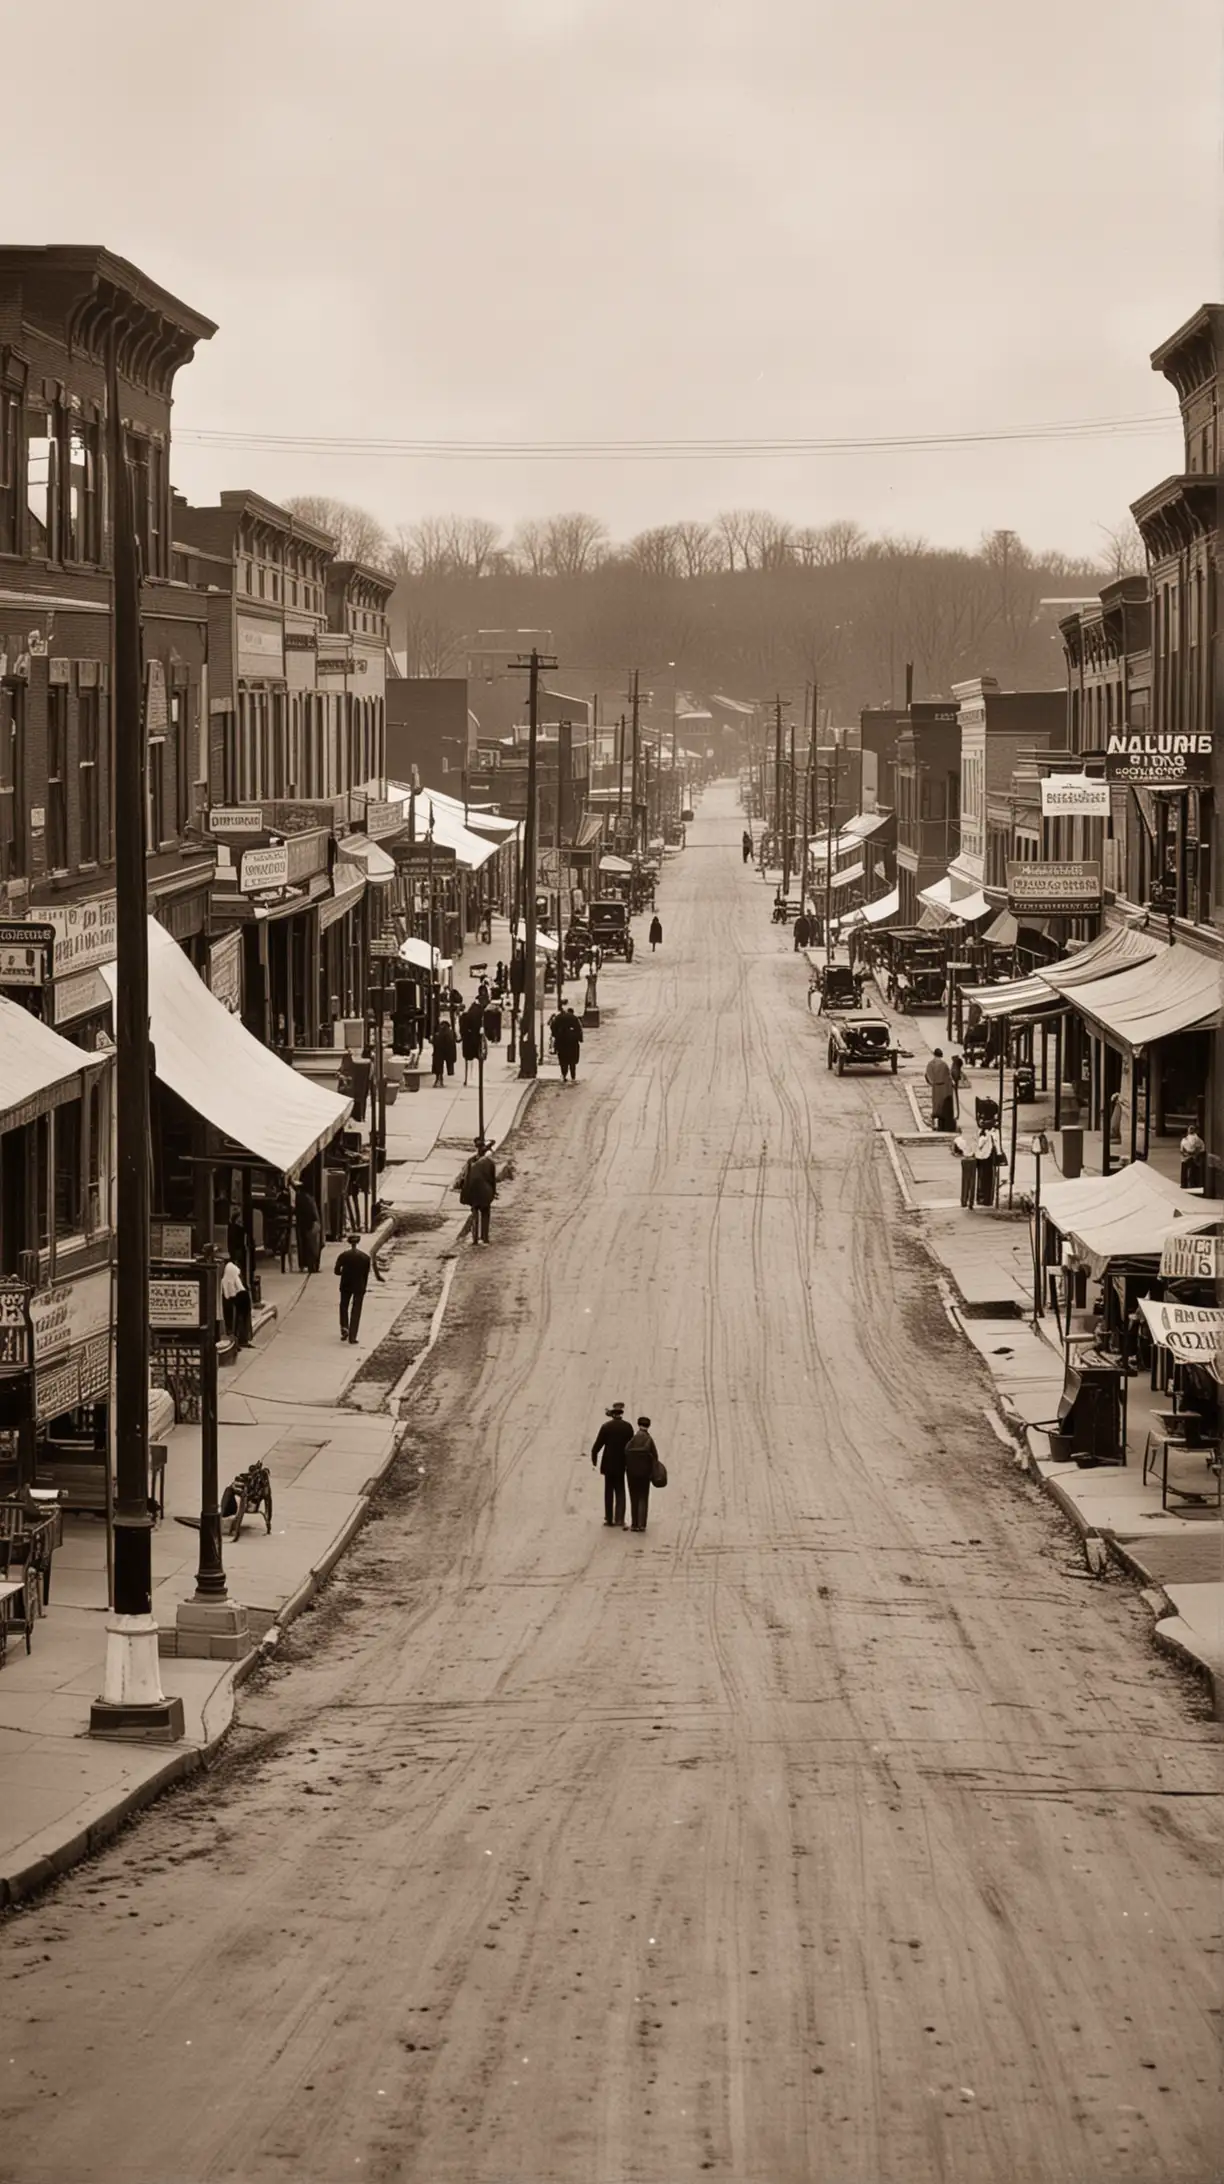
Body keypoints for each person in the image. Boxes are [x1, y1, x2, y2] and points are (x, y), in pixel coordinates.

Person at [333, 1230, 385, 1344]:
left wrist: (344, 1273)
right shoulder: (365, 1258)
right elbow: (365, 1275)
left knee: (344, 1306)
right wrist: (363, 1287)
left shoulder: (343, 1255)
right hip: (359, 1286)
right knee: (356, 1310)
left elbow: (336, 1271)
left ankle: (344, 1327)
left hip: (346, 1284)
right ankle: (353, 1336)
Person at [590, 1400, 634, 1528]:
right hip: (621, 1463)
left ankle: (609, 1519)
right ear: (621, 1414)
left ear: (613, 1414)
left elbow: (598, 1445)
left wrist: (594, 1458)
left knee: (608, 1491)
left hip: (608, 1464)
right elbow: (630, 1446)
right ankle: (619, 1518)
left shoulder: (606, 1427)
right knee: (620, 1490)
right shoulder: (628, 1427)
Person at [625, 1415, 659, 1534]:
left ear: (639, 1425)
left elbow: (626, 1451)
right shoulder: (649, 1440)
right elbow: (655, 1456)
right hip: (644, 1473)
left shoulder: (633, 1439)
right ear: (648, 1426)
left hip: (632, 1473)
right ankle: (642, 1524)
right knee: (643, 1498)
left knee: (633, 1498)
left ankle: (634, 1524)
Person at [461, 1139, 499, 1244]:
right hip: (485, 1192)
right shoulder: (490, 1163)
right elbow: (492, 1180)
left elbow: (465, 1178)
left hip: (473, 1192)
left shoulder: (470, 1161)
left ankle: (475, 1238)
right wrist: (494, 1192)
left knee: (474, 1210)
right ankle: (485, 1237)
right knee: (485, 1212)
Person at [220, 1255, 253, 1346]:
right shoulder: (234, 1272)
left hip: (237, 1298)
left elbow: (227, 1294)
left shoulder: (225, 1278)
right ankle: (243, 1339)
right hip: (242, 1296)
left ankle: (238, 1339)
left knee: (237, 1320)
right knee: (242, 1319)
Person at [550, 1001, 584, 1082]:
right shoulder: (574, 1018)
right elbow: (579, 1029)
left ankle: (564, 1074)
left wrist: (555, 1035)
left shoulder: (558, 1017)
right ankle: (573, 1075)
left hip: (561, 1041)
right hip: (572, 1042)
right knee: (572, 1060)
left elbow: (552, 1027)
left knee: (563, 1059)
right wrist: (580, 1039)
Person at [925, 1048, 956, 1132]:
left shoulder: (930, 1064)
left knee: (936, 1105)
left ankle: (936, 1123)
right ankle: (943, 1124)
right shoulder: (944, 1064)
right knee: (944, 1106)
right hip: (945, 1088)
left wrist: (933, 1083)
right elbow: (948, 1077)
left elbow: (928, 1076)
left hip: (936, 1087)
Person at [294, 1185, 322, 1274]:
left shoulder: (300, 1197)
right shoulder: (309, 1198)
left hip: (305, 1223)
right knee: (313, 1245)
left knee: (308, 1244)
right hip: (311, 1223)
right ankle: (312, 1265)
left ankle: (307, 1264)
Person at [459, 998, 484, 1086]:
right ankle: (475, 1078)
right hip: (476, 1039)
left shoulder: (464, 1017)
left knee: (468, 1060)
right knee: (478, 1059)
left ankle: (467, 1079)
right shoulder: (479, 1012)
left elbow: (462, 1031)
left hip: (467, 1041)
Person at [951, 1129, 977, 1209]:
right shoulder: (974, 1140)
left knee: (965, 1180)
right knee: (972, 1181)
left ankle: (963, 1201)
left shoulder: (958, 1140)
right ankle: (971, 1202)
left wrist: (961, 1155)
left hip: (964, 1160)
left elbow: (954, 1152)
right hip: (973, 1160)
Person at [431, 1015, 457, 1088]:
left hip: (439, 1049)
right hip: (447, 1049)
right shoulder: (449, 1031)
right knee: (441, 1062)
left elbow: (434, 1041)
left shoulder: (439, 1030)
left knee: (438, 1063)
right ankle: (440, 1080)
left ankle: (438, 1079)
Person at [1180, 1126, 1207, 1190]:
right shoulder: (1197, 1139)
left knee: (1186, 1171)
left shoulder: (1185, 1139)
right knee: (1192, 1172)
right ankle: (1192, 1184)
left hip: (1187, 1157)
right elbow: (1202, 1148)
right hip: (1192, 1157)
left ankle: (1185, 1184)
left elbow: (1182, 1149)